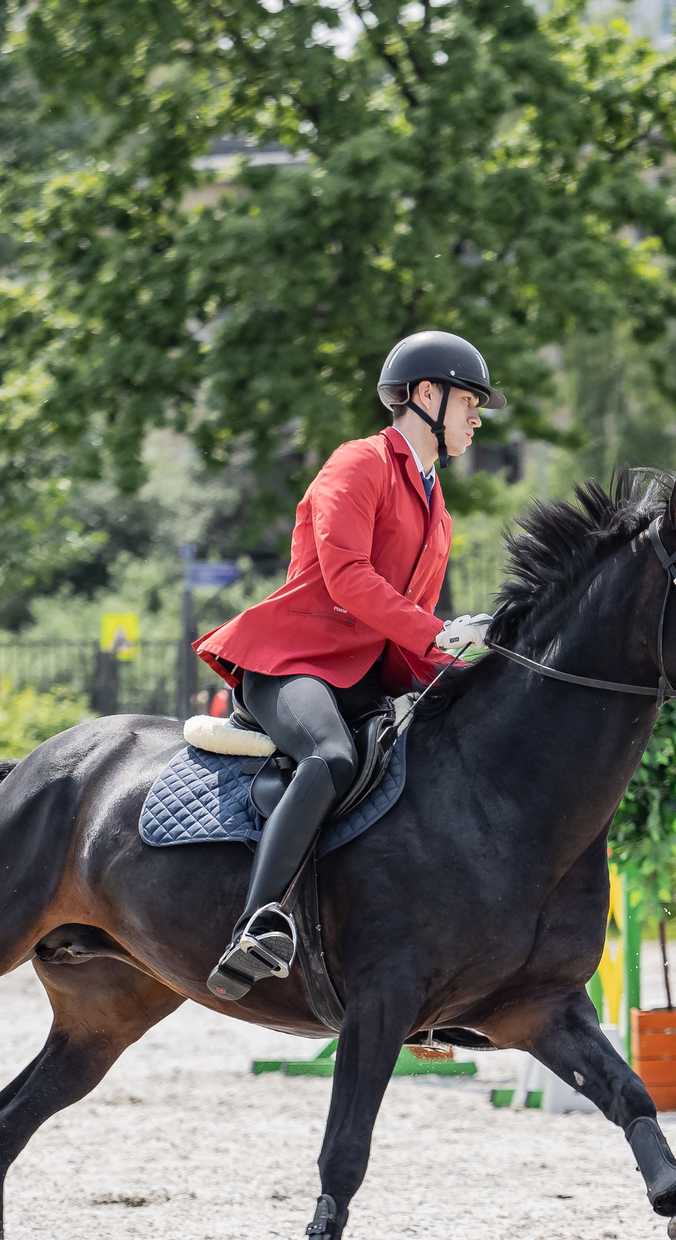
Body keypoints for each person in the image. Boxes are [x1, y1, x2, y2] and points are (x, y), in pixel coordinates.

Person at [193, 331, 506, 1000]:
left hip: (364, 676)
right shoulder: (359, 463)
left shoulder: (438, 509)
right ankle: (256, 922)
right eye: (469, 401)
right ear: (427, 395)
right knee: (331, 755)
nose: (477, 417)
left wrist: (468, 667)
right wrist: (439, 633)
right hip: (292, 661)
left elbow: (408, 625)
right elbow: (348, 579)